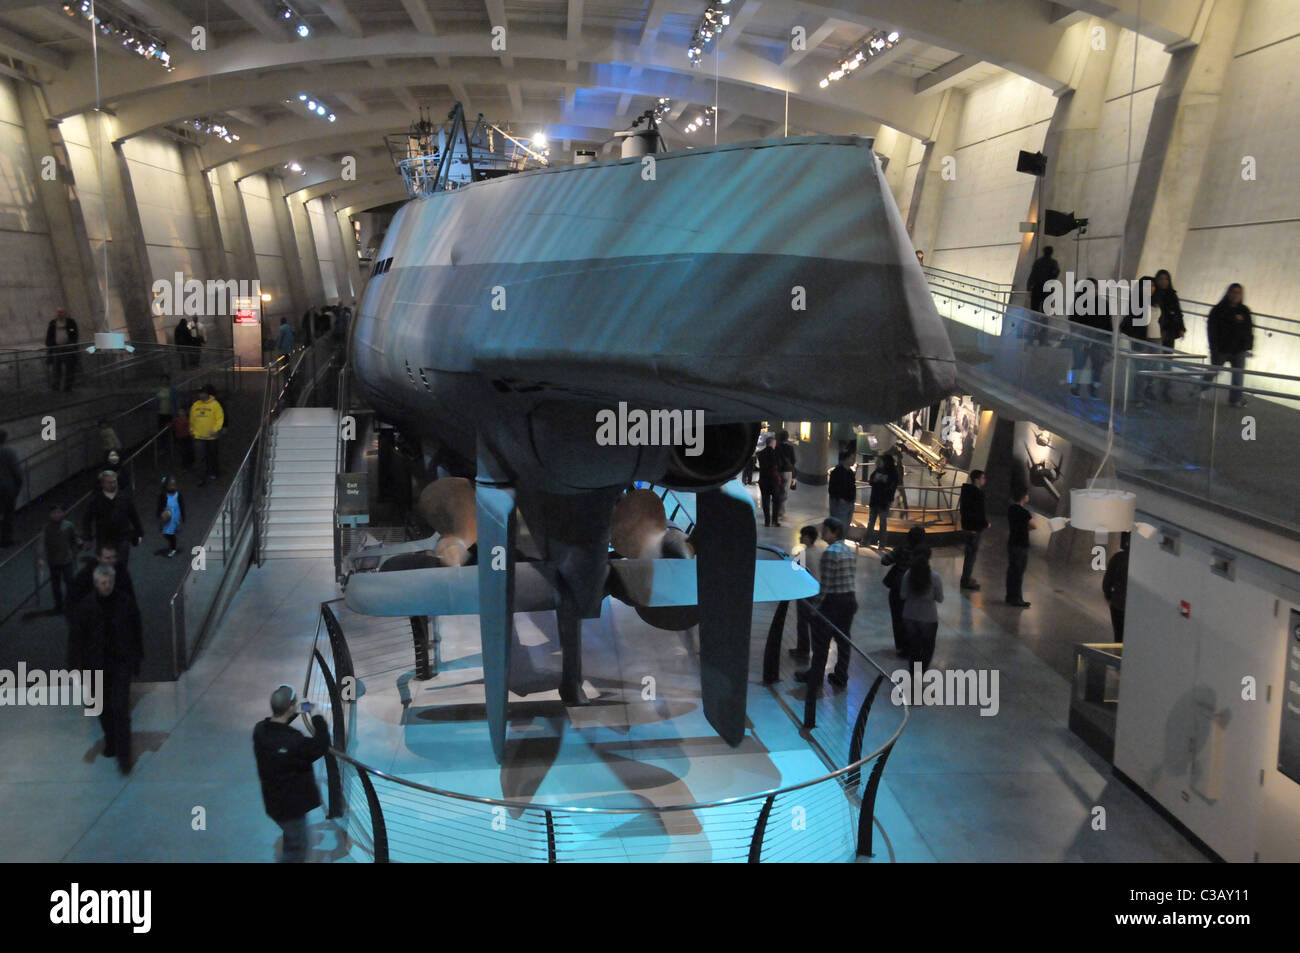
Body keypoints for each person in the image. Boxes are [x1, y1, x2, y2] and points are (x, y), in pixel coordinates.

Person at [69, 564, 143, 774]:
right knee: (102, 709)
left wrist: (137, 658)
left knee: (120, 708)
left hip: (120, 663)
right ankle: (111, 739)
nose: (107, 586)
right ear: (96, 583)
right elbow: (76, 640)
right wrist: (75, 669)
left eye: (109, 582)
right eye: (103, 583)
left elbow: (136, 630)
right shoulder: (86, 608)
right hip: (96, 666)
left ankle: (124, 756)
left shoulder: (125, 603)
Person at [253, 683, 332, 862]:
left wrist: (300, 709)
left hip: (274, 802)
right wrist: (317, 715)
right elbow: (321, 744)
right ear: (290, 707)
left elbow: (280, 722)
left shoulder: (260, 731)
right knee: (296, 851)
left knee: (291, 836)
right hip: (292, 807)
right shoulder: (294, 742)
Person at [795, 517, 856, 691]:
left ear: (834, 532)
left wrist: (815, 607)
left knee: (821, 641)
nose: (822, 532)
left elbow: (826, 585)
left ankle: (815, 675)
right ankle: (841, 675)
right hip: (849, 600)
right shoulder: (849, 550)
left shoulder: (830, 553)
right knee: (843, 640)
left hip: (833, 603)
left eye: (826, 530)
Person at [82, 470, 144, 569]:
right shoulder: (95, 500)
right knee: (105, 567)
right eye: (109, 482)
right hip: (104, 538)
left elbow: (133, 515)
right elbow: (87, 519)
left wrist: (139, 532)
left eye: (114, 481)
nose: (113, 484)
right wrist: (87, 537)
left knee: (121, 566)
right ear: (102, 484)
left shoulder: (125, 497)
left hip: (122, 537)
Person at [1205, 283, 1253, 407]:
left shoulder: (1244, 311)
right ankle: (1199, 389)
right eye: (1233, 292)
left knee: (1238, 376)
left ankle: (1236, 399)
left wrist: (1248, 346)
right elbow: (1212, 330)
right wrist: (1213, 348)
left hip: (1239, 350)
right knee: (1213, 371)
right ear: (1228, 293)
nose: (1236, 295)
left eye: (1238, 292)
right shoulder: (1218, 310)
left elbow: (1248, 329)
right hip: (1222, 348)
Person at [881, 526, 926, 656]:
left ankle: (902, 647)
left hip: (898, 586)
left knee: (898, 617)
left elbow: (885, 560)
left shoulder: (902, 549)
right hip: (916, 586)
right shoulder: (923, 552)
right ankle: (914, 645)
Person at [900, 548, 944, 670]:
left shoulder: (908, 574)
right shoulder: (935, 577)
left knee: (913, 646)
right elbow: (940, 598)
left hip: (909, 615)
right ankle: (922, 671)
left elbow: (903, 595)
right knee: (927, 647)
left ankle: (913, 671)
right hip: (928, 617)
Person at [1068, 278, 1110, 398]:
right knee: (1079, 363)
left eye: (1096, 288)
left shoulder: (1103, 303)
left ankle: (1093, 387)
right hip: (1082, 338)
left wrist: (1107, 338)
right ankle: (1075, 386)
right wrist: (1076, 334)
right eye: (1091, 288)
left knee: (1097, 365)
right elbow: (1073, 321)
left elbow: (1108, 323)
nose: (1094, 290)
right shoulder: (1078, 303)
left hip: (1098, 340)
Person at [789, 525, 825, 660]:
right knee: (814, 623)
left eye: (802, 535)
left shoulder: (804, 554)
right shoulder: (820, 551)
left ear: (808, 538)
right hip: (818, 592)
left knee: (802, 622)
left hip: (805, 593)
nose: (800, 537)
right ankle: (813, 650)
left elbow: (793, 568)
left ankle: (803, 649)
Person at [69, 541, 135, 608]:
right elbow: (74, 597)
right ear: (98, 558)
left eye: (114, 557)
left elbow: (129, 595)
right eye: (108, 558)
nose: (112, 561)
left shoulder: (122, 572)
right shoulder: (86, 575)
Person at [40, 503, 81, 613]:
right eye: (54, 513)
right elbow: (42, 544)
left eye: (59, 512)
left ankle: (72, 605)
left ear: (63, 513)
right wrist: (42, 558)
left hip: (67, 560)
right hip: (53, 561)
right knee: (55, 585)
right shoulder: (47, 528)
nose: (57, 515)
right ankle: (58, 606)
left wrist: (78, 547)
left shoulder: (68, 525)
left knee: (70, 583)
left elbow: (75, 538)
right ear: (50, 514)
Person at [1152, 269, 1185, 402]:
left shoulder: (1172, 295)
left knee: (1167, 363)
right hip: (1155, 332)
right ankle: (1148, 389)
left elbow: (1177, 312)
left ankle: (1165, 389)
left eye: (1166, 279)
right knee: (1153, 362)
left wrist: (1181, 328)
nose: (1163, 282)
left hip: (1169, 333)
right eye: (1161, 279)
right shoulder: (1153, 295)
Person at [1005, 487, 1036, 607]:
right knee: (1018, 573)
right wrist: (1025, 529)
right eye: (1027, 494)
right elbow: (1034, 525)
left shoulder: (1011, 509)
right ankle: (1017, 598)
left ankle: (1009, 596)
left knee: (1012, 570)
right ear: (1023, 497)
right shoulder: (1024, 512)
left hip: (1012, 542)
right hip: (1021, 544)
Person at [958, 469, 988, 590]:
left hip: (967, 526)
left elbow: (965, 510)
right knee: (971, 555)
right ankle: (966, 580)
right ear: (977, 479)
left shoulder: (966, 491)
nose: (984, 480)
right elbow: (979, 513)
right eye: (983, 478)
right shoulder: (978, 494)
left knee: (969, 554)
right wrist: (985, 524)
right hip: (974, 528)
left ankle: (966, 577)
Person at [190, 386, 225, 486]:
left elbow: (220, 418)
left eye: (203, 393)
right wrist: (192, 430)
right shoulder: (195, 405)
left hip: (211, 437)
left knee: (212, 455)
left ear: (207, 394)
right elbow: (192, 419)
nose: (201, 395)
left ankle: (213, 471)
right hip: (199, 436)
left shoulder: (215, 405)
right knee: (199, 457)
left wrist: (216, 429)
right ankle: (200, 477)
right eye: (200, 393)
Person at [864, 454, 899, 549]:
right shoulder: (878, 470)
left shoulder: (893, 473)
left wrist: (881, 482)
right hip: (875, 500)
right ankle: (866, 541)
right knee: (872, 522)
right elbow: (871, 481)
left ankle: (882, 544)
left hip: (883, 502)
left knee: (882, 523)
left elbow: (892, 487)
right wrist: (877, 481)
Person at [1026, 246, 1060, 343]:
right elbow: (1055, 274)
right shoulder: (1053, 263)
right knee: (1045, 315)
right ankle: (1043, 339)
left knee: (1033, 314)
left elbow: (1032, 275)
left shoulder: (1038, 262)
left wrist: (1029, 289)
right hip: (1047, 289)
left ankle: (1031, 338)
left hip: (1037, 289)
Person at [1102, 532, 1130, 642]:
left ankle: (1117, 656)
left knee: (1118, 636)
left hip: (1118, 605)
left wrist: (1109, 596)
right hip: (1132, 608)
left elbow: (1107, 582)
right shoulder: (1141, 562)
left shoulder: (1118, 558)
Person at [45, 307, 79, 391]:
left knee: (69, 368)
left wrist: (72, 343)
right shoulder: (53, 323)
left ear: (65, 313)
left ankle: (68, 387)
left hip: (68, 348)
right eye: (58, 312)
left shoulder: (71, 322)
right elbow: (49, 335)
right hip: (57, 348)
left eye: (61, 312)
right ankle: (56, 386)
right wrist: (51, 344)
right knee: (56, 368)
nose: (60, 314)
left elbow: (75, 334)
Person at [0, 429, 21, 546]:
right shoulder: (9, 452)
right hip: (7, 488)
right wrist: (17, 487)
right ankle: (6, 539)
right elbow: (16, 472)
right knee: (8, 514)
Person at [156, 476, 184, 557]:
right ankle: (172, 546)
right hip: (167, 516)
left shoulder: (178, 495)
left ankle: (173, 548)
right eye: (170, 485)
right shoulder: (163, 495)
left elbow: (182, 506)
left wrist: (183, 515)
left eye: (174, 484)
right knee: (166, 533)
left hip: (174, 516)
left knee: (170, 533)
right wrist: (159, 514)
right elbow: (160, 505)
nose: (172, 486)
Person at [827, 449, 857, 527]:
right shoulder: (837, 472)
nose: (854, 460)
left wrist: (852, 500)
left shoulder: (850, 472)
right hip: (840, 503)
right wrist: (839, 498)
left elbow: (852, 487)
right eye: (852, 458)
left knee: (846, 524)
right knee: (838, 525)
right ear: (846, 459)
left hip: (849, 502)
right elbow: (832, 487)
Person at [774, 430, 797, 526]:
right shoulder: (790, 448)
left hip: (777, 471)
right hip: (787, 471)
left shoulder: (776, 447)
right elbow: (793, 460)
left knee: (778, 491)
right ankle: (781, 513)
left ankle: (777, 511)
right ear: (787, 438)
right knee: (784, 492)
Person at [755, 435, 780, 527]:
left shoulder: (760, 453)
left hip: (763, 479)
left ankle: (767, 521)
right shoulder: (775, 453)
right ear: (772, 443)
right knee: (776, 501)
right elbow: (778, 466)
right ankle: (775, 521)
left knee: (765, 501)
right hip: (773, 480)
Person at [172, 407, 194, 471]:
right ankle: (185, 466)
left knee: (189, 451)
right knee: (183, 452)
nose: (181, 413)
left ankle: (189, 464)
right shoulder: (177, 420)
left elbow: (191, 427)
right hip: (180, 438)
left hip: (187, 437)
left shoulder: (187, 420)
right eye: (179, 411)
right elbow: (172, 425)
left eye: (182, 411)